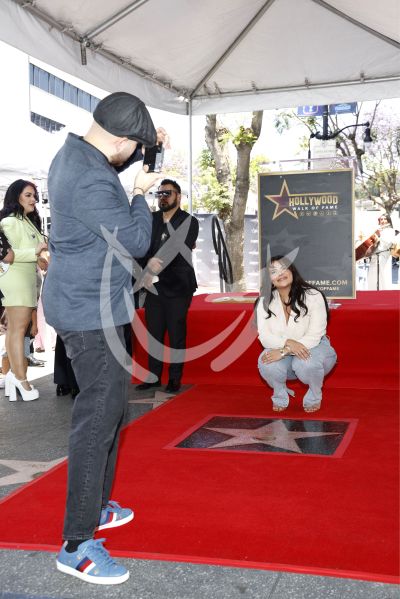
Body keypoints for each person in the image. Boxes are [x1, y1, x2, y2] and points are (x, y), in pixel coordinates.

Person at [42, 91, 164, 585]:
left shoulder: (82, 154)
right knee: (96, 421)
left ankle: (96, 505)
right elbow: (136, 240)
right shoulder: (93, 177)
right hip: (90, 314)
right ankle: (76, 545)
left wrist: (148, 156)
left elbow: (111, 211)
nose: (136, 156)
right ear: (119, 139)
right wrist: (141, 195)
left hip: (97, 305)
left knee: (111, 412)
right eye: (133, 148)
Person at [136, 179, 199, 394]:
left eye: (167, 193)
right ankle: (153, 378)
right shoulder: (151, 219)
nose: (163, 197)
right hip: (153, 287)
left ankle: (174, 379)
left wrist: (155, 263)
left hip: (178, 286)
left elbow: (177, 248)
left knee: (176, 335)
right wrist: (147, 264)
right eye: (159, 193)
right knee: (154, 334)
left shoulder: (189, 221)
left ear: (178, 196)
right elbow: (140, 245)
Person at [256, 256, 337, 413]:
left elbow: (315, 334)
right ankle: (279, 395)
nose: (280, 274)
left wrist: (285, 350)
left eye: (283, 268)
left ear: (292, 271)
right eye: (273, 272)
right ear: (270, 280)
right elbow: (264, 336)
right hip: (282, 347)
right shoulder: (264, 301)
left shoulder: (313, 296)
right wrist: (288, 343)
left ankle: (314, 395)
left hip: (315, 347)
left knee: (305, 363)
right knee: (265, 361)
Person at [0, 180, 47, 402]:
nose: (33, 199)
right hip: (15, 280)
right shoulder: (10, 222)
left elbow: (36, 249)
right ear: (16, 196)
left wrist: (39, 257)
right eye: (28, 195)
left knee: (16, 331)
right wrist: (35, 252)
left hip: (26, 279)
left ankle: (12, 376)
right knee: (18, 331)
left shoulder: (26, 221)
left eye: (34, 195)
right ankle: (21, 379)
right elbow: (9, 253)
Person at [366, 214, 397, 290]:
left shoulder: (391, 231)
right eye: (381, 219)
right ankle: (372, 294)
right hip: (374, 256)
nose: (382, 221)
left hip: (383, 255)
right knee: (372, 277)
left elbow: (389, 242)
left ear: (388, 220)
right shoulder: (377, 231)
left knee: (382, 276)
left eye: (384, 219)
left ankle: (383, 295)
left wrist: (378, 237)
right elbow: (370, 244)